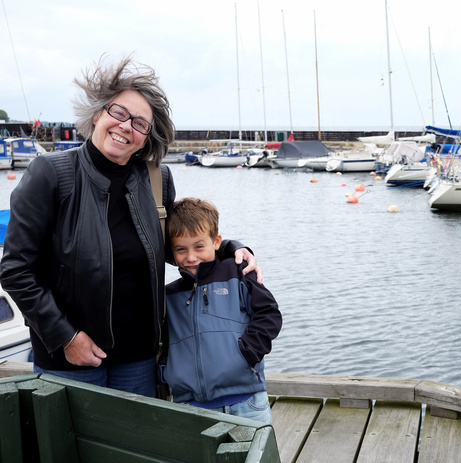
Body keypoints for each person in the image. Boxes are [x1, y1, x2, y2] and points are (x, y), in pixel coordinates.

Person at [0, 56, 260, 397]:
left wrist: (231, 248)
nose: (126, 127)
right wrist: (65, 337)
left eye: (140, 123)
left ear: (146, 138)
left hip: (139, 357)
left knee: (132, 449)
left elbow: (171, 246)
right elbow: (18, 271)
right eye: (119, 113)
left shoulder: (157, 178)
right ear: (97, 115)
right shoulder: (52, 174)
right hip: (73, 359)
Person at [162, 198, 281, 424]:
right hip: (191, 408)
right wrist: (166, 369)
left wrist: (248, 353)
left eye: (199, 246)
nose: (190, 257)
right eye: (181, 249)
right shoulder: (169, 295)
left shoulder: (238, 274)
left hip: (247, 402)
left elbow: (269, 314)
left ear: (216, 241)